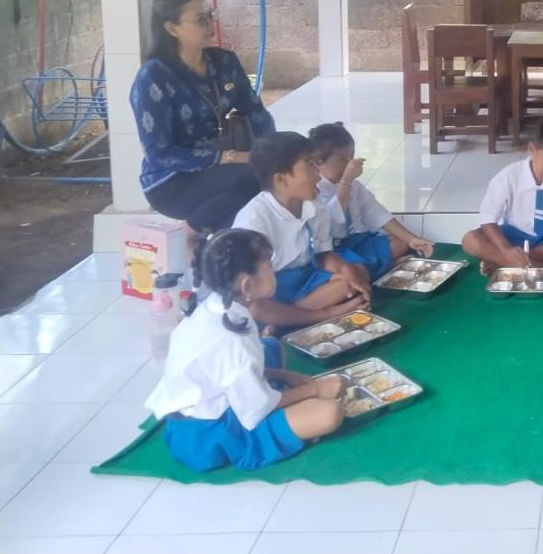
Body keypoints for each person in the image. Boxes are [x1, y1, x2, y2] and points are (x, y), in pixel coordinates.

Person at [145, 228, 345, 472]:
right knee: (329, 413)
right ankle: (275, 430)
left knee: (271, 346)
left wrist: (284, 375)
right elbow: (256, 407)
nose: (274, 272)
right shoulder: (232, 340)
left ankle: (286, 401)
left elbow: (228, 370)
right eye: (269, 267)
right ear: (247, 285)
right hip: (206, 435)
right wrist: (314, 389)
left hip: (210, 407)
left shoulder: (219, 305)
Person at [131, 0, 276, 234]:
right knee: (253, 178)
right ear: (172, 28)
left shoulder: (224, 62)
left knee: (273, 175)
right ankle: (193, 233)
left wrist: (276, 150)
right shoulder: (153, 78)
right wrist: (232, 157)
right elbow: (159, 154)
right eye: (201, 19)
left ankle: (223, 246)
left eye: (211, 15)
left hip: (222, 167)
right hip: (172, 180)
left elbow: (256, 113)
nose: (211, 24)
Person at [232, 132, 371, 330]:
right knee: (257, 308)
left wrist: (345, 269)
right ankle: (319, 314)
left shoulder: (313, 204)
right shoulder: (253, 221)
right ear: (281, 180)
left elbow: (323, 255)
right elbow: (248, 292)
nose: (318, 173)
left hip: (306, 278)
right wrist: (328, 312)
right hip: (271, 288)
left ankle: (286, 317)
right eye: (310, 165)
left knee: (356, 274)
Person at [463, 115, 543, 273]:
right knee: (470, 240)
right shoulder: (508, 176)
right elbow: (488, 219)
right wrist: (506, 249)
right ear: (532, 149)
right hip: (512, 238)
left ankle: (508, 262)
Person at [309, 122, 434, 280]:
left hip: (359, 242)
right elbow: (332, 222)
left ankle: (371, 271)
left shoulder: (355, 186)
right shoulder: (313, 189)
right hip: (333, 251)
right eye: (342, 159)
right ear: (318, 162)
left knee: (400, 243)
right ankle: (377, 270)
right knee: (347, 269)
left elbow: (377, 213)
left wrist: (411, 239)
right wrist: (345, 183)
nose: (350, 164)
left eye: (352, 157)